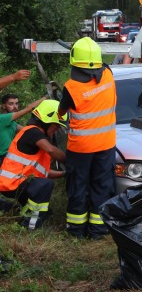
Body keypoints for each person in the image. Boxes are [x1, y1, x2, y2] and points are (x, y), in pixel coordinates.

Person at [57, 37, 117, 239]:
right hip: (106, 144)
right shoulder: (108, 75)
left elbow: (61, 113)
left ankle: (76, 230)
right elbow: (102, 66)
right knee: (102, 185)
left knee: (78, 186)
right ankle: (98, 230)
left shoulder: (71, 87)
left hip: (80, 148)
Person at [0, 99, 67, 230]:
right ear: (47, 120)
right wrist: (72, 161)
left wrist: (65, 173)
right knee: (45, 185)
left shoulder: (35, 135)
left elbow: (44, 172)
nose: (57, 128)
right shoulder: (33, 132)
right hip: (12, 183)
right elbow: (51, 150)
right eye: (56, 125)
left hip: (16, 183)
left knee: (47, 211)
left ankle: (24, 213)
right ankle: (29, 225)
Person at [0, 94, 47, 165]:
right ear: (3, 106)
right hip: (3, 157)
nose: (15, 107)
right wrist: (46, 97)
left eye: (16, 103)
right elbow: (29, 109)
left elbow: (28, 131)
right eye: (11, 104)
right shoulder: (3, 118)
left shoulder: (12, 123)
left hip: (9, 155)